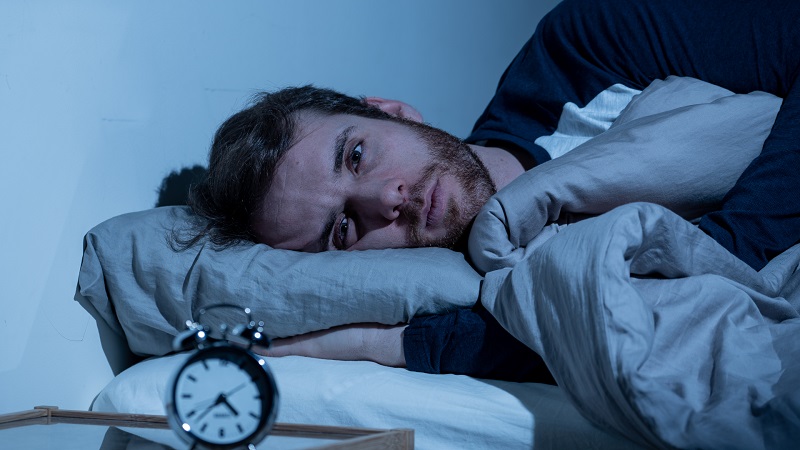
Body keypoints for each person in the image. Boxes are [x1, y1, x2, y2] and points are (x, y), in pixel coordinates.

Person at [186, 0, 800, 382]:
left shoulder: (584, 48)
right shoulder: (483, 295)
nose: (384, 199)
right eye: (343, 229)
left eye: (356, 155)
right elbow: (599, 334)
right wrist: (377, 342)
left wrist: (730, 251)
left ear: (392, 112)